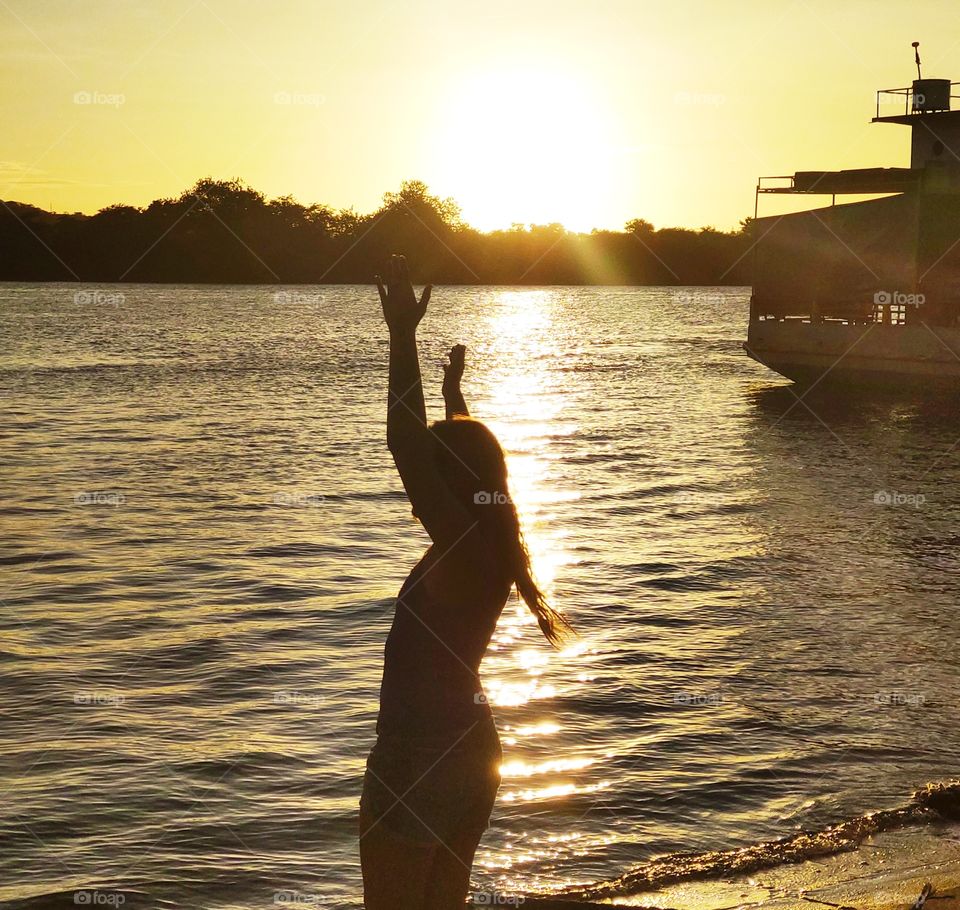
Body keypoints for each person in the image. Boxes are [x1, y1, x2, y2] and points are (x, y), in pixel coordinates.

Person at [359, 255, 571, 909]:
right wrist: (454, 393)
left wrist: (401, 337)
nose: (412, 501)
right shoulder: (488, 541)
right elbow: (462, 458)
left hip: (418, 757)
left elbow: (406, 444)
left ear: (450, 489)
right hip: (467, 757)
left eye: (429, 487)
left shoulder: (463, 546)